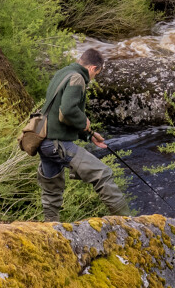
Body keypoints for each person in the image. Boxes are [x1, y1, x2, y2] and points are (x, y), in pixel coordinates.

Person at [37, 47, 130, 221]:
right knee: (103, 174)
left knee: (51, 191)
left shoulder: (63, 73)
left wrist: (90, 135)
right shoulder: (78, 78)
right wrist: (84, 121)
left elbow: (57, 111)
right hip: (58, 144)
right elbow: (67, 111)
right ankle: (130, 223)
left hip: (44, 141)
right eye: (97, 74)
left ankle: (51, 230)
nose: (93, 78)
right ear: (93, 68)